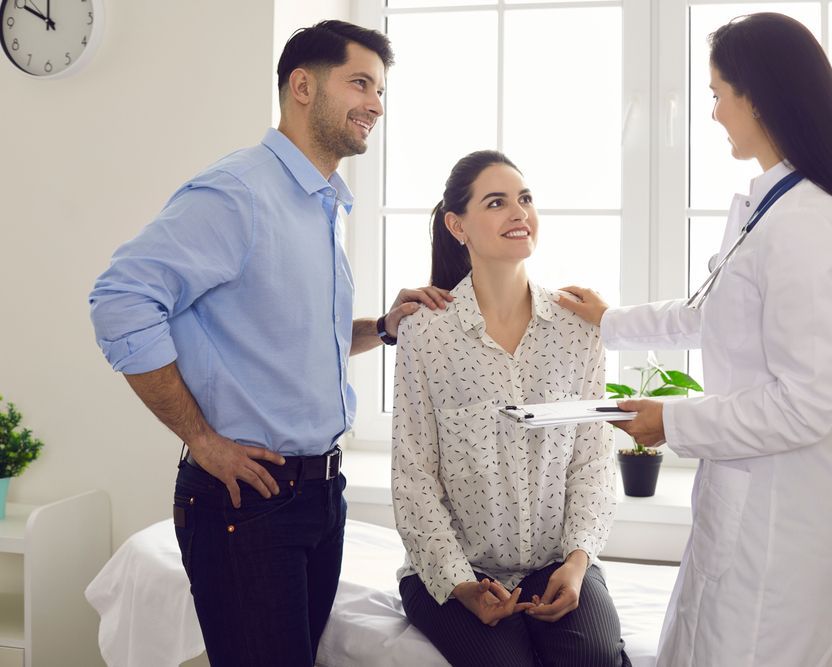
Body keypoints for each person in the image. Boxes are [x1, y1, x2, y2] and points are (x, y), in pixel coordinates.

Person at [89, 20, 451, 667]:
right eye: (361, 83)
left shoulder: (319, 203)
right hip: (249, 502)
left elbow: (301, 341)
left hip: (320, 497)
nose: (376, 103)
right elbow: (119, 299)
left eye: (381, 88)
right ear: (303, 86)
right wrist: (203, 440)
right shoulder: (239, 191)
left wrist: (385, 326)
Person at [558, 13, 832, 667]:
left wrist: (671, 419)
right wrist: (609, 319)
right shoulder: (773, 206)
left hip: (782, 531)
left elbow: (807, 404)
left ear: (759, 96)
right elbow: (715, 316)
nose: (713, 112)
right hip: (747, 513)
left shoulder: (805, 226)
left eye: (717, 93)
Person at [391, 150, 631, 667]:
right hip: (457, 571)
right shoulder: (425, 334)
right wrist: (461, 585)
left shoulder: (578, 329)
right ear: (458, 226)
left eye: (524, 199)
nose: (518, 212)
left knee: (593, 660)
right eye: (496, 202)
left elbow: (592, 462)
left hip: (555, 564)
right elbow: (413, 477)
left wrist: (577, 564)